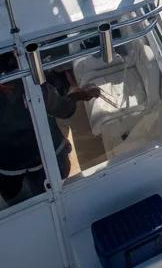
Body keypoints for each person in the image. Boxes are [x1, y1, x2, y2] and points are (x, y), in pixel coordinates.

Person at [0, 53, 99, 205]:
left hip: (7, 167)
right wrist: (78, 95)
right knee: (57, 193)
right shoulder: (29, 82)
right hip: (43, 158)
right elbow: (63, 109)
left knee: (21, 206)